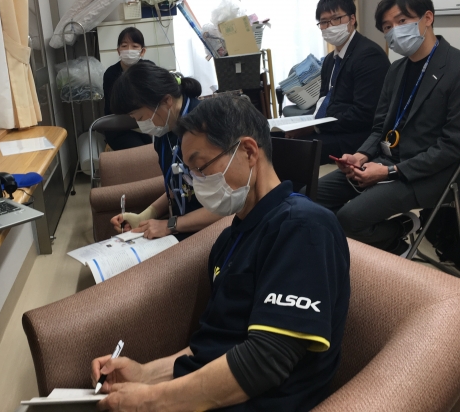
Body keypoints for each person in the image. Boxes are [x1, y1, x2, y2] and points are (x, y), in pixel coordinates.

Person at [93, 95, 350, 411]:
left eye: (201, 167)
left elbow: (266, 360)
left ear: (248, 151)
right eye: (191, 172)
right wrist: (146, 375)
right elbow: (210, 347)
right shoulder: (230, 240)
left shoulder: (304, 227)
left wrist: (151, 400)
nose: (197, 183)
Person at [314, 0, 460, 256]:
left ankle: (397, 238)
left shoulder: (455, 68)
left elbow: (452, 147)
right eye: (387, 27)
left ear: (428, 18)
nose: (394, 31)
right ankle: (378, 239)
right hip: (384, 160)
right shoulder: (397, 69)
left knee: (348, 219)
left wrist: (389, 172)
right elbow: (379, 127)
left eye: (402, 21)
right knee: (309, 196)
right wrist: (360, 155)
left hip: (429, 173)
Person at [109, 61, 223, 241]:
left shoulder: (205, 128)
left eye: (140, 117)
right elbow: (180, 184)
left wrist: (170, 225)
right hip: (183, 227)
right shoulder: (165, 130)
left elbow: (227, 205)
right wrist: (145, 215)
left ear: (166, 101)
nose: (141, 124)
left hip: (212, 232)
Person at [285, 0, 390, 164]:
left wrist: (316, 127)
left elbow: (364, 114)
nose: (330, 26)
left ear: (352, 19)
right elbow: (324, 100)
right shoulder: (329, 60)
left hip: (355, 136)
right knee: (273, 138)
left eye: (336, 19)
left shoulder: (369, 55)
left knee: (290, 150)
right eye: (324, 22)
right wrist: (306, 124)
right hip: (332, 129)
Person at [102, 27, 153, 151]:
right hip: (120, 127)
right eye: (124, 46)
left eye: (135, 46)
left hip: (148, 124)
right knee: (142, 153)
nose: (129, 50)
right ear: (118, 50)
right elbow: (116, 107)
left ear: (142, 51)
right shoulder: (111, 74)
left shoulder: (149, 69)